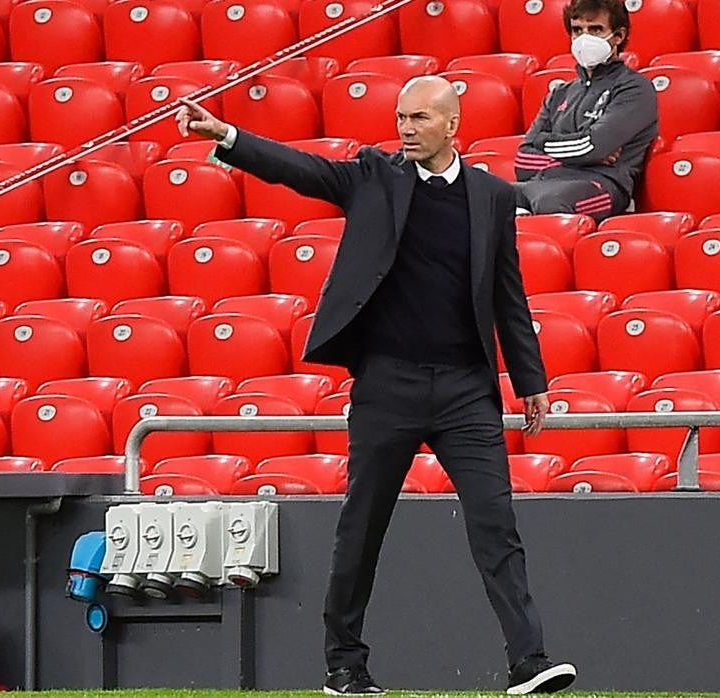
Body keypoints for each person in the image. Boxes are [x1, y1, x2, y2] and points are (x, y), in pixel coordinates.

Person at [176, 76, 575, 696]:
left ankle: (528, 661)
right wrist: (228, 137)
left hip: (468, 388)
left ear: (452, 126)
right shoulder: (372, 175)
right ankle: (345, 664)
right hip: (388, 382)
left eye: (418, 118)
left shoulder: (493, 197)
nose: (405, 128)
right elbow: (299, 169)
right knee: (362, 526)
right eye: (400, 116)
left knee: (496, 522)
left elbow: (507, 294)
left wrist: (531, 381)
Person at [513, 0, 658, 222]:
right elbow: (523, 159)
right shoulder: (560, 93)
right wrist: (582, 154)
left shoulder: (634, 89)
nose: (584, 38)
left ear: (618, 36)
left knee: (550, 202)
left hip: (603, 184)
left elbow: (593, 146)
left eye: (596, 29)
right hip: (544, 181)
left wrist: (543, 143)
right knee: (486, 197)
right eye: (577, 30)